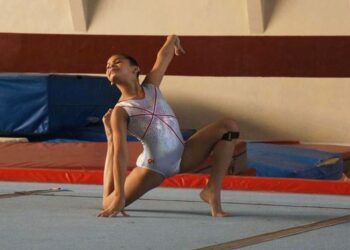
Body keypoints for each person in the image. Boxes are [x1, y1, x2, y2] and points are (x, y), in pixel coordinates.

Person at [97, 35, 239, 218]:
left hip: (184, 155)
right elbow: (120, 155)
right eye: (108, 66)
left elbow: (162, 57)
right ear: (109, 79)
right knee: (109, 201)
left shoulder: (151, 87)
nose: (111, 66)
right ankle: (110, 148)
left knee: (229, 126)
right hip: (153, 168)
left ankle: (212, 190)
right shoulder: (120, 111)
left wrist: (171, 39)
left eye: (117, 62)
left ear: (135, 69)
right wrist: (119, 196)